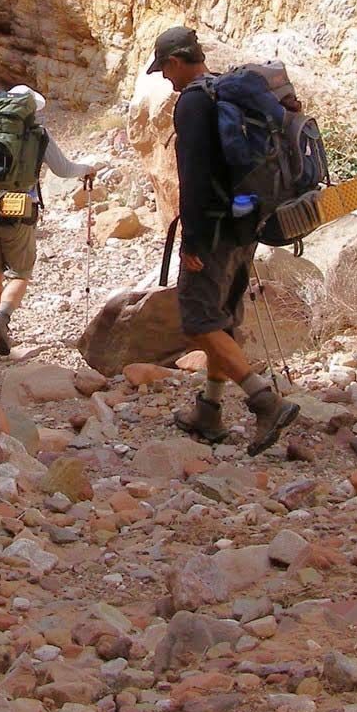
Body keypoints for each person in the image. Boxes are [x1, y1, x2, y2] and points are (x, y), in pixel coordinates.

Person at [147, 26, 301, 455]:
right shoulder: (226, 92)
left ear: (176, 62)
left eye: (164, 69)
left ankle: (263, 400)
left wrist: (191, 242)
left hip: (212, 229)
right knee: (224, 317)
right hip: (247, 222)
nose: (164, 78)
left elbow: (193, 177)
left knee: (200, 320)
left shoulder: (195, 103)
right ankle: (209, 411)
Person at [0, 85, 102, 357]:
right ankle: (2, 318)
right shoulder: (36, 135)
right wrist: (87, 170)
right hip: (18, 211)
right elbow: (63, 169)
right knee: (20, 273)